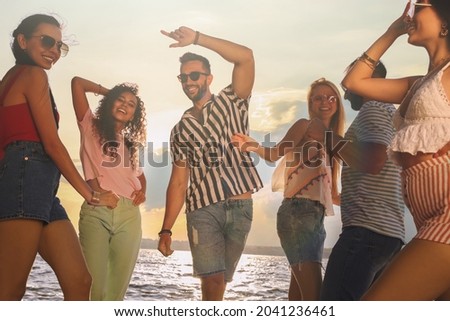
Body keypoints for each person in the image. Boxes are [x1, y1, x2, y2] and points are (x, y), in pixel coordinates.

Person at [0, 14, 118, 300]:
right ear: (23, 41)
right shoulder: (32, 74)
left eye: (60, 46)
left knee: (79, 280)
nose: (54, 50)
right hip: (24, 180)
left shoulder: (11, 79)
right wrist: (90, 194)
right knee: (10, 288)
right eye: (47, 41)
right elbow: (52, 144)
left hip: (40, 186)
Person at [341, 1, 450, 300]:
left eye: (421, 6)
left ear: (445, 21)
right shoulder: (418, 84)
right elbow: (353, 82)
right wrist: (392, 31)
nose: (412, 13)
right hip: (426, 219)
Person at [157, 26, 263, 301]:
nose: (188, 81)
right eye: (183, 77)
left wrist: (197, 39)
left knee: (222, 282)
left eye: (194, 75)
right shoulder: (180, 129)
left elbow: (246, 57)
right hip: (202, 209)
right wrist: (166, 229)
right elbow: (179, 181)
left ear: (209, 77)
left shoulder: (233, 100)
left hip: (241, 206)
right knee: (212, 281)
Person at [233, 78, 345, 300]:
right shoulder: (304, 125)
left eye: (331, 98)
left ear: (338, 103)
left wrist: (372, 198)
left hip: (316, 220)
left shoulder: (332, 142)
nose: (326, 102)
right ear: (310, 103)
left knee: (299, 296)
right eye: (318, 98)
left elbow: (333, 196)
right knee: (315, 295)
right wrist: (251, 144)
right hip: (296, 214)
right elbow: (275, 154)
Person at [306, 62, 405, 301]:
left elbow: (374, 161)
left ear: (368, 82)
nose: (346, 91)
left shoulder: (373, 108)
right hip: (387, 235)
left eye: (350, 83)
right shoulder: (393, 115)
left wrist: (327, 136)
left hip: (366, 234)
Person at [71, 76, 147, 300]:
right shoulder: (90, 125)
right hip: (97, 208)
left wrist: (142, 191)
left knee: (115, 294)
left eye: (131, 104)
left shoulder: (131, 145)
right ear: (111, 101)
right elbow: (77, 83)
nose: (124, 105)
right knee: (94, 288)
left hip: (130, 215)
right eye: (120, 100)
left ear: (134, 115)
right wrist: (109, 92)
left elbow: (140, 176)